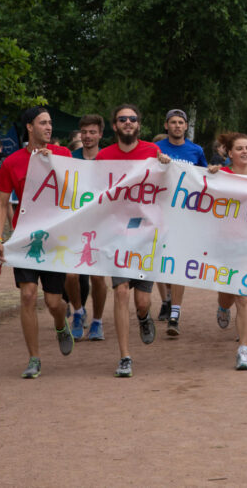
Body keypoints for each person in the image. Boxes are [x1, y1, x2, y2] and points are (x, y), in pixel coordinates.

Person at [0, 107, 75, 379]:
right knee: (27, 295)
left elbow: (77, 191)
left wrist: (55, 166)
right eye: (43, 123)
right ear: (29, 127)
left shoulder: (63, 154)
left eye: (50, 123)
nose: (49, 127)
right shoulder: (12, 162)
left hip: (55, 240)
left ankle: (61, 323)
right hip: (25, 238)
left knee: (53, 303)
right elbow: (2, 204)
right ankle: (34, 358)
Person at [96, 104, 170, 377]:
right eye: (122, 119)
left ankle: (143, 317)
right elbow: (89, 191)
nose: (128, 122)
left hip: (147, 236)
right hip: (117, 236)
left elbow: (170, 186)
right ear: (114, 125)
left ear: (139, 124)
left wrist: (167, 167)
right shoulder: (103, 157)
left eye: (133, 119)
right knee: (121, 291)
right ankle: (125, 356)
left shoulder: (153, 151)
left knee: (142, 301)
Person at [206, 132, 247, 369]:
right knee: (228, 294)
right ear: (229, 153)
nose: (245, 152)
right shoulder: (220, 175)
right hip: (225, 243)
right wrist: (209, 176)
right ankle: (223, 307)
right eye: (240, 148)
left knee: (243, 295)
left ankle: (243, 350)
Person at [154, 108, 209, 336]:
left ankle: (174, 314)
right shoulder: (155, 148)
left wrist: (213, 171)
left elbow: (205, 179)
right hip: (160, 212)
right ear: (166, 126)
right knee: (161, 263)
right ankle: (167, 298)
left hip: (185, 214)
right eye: (173, 122)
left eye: (180, 122)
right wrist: (157, 163)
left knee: (177, 263)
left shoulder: (196, 150)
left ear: (186, 126)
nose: (177, 126)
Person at [65, 114, 108, 341]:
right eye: (84, 132)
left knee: (98, 278)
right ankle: (78, 312)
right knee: (71, 275)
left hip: (101, 226)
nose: (88, 136)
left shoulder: (109, 159)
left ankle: (97, 322)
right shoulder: (69, 159)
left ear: (100, 134)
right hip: (74, 226)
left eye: (92, 132)